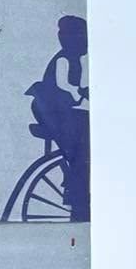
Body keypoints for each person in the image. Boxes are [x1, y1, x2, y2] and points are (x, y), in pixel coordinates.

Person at [26, 14, 89, 222]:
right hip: (50, 110)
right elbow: (65, 86)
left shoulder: (80, 60)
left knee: (85, 141)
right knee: (80, 149)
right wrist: (82, 92)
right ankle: (77, 195)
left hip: (68, 111)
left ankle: (78, 190)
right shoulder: (62, 60)